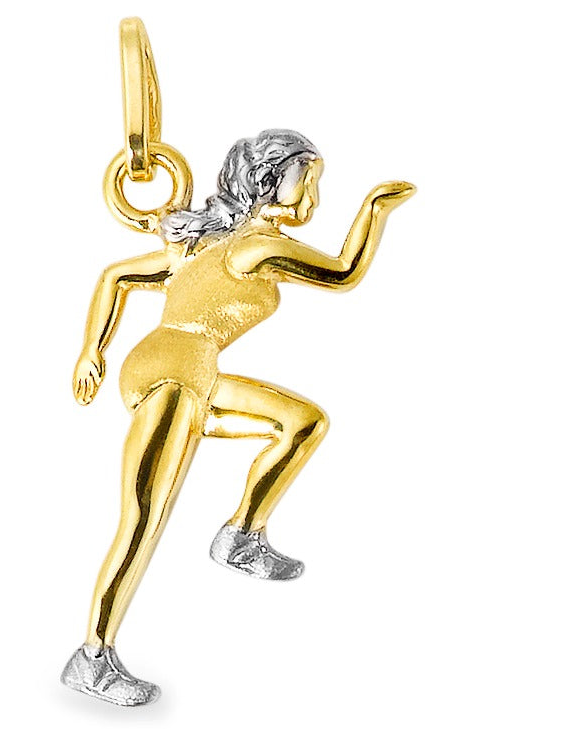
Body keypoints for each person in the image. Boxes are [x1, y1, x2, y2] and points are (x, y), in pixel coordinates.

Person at [61, 129, 415, 705]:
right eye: (308, 182)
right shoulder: (255, 246)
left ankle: (240, 538)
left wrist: (93, 352)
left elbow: (115, 277)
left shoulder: (204, 247)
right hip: (175, 371)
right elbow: (344, 272)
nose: (314, 197)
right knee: (144, 518)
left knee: (301, 422)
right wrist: (376, 207)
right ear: (270, 183)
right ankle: (93, 657)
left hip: (190, 369)